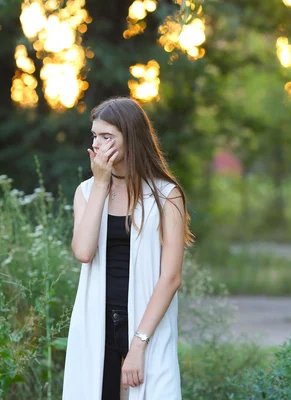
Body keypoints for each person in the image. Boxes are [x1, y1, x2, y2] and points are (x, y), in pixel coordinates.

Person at [63, 97, 193, 400]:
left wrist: (139, 344)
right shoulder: (86, 191)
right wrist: (100, 184)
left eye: (108, 137)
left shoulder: (166, 196)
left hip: (146, 326)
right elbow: (83, 252)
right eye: (95, 136)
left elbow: (171, 277)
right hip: (96, 321)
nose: (98, 144)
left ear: (131, 138)